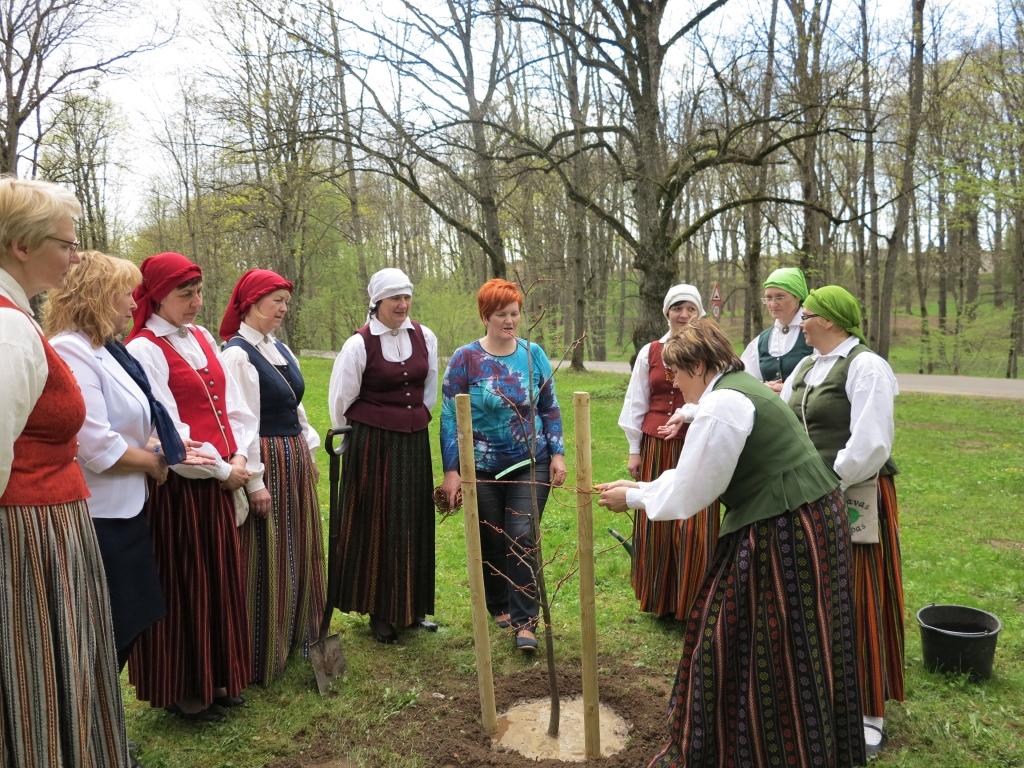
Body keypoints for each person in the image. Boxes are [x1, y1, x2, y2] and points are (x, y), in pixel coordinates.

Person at [598, 319, 866, 768]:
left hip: (785, 529)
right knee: (792, 637)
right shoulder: (740, 388)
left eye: (678, 374)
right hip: (810, 518)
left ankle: (754, 751)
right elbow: (700, 469)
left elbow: (694, 489)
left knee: (757, 642)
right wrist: (643, 485)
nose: (675, 384)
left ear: (700, 366)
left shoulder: (725, 402)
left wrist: (635, 498)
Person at [0, 178, 129, 766]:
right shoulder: (7, 331)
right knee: (39, 681)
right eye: (66, 243)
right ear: (20, 245)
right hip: (31, 537)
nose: (77, 257)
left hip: (48, 529)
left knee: (57, 678)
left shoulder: (16, 319)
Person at [126, 252, 259, 722]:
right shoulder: (144, 348)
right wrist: (224, 472)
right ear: (157, 295)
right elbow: (168, 429)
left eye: (199, 292)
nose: (197, 302)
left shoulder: (202, 338)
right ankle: (185, 689)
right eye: (186, 293)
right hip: (181, 489)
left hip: (221, 479)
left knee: (220, 581)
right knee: (186, 585)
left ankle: (218, 676)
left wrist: (241, 455)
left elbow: (237, 407)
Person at [780, 285, 904, 758]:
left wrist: (829, 483)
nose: (800, 322)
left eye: (806, 315)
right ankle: (829, 690)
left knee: (860, 593)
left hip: (856, 493)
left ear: (831, 320)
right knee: (821, 592)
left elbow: (872, 441)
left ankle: (870, 711)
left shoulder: (866, 366)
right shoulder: (808, 366)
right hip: (813, 493)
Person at [440, 278, 566, 653]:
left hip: (530, 461)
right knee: (492, 538)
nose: (510, 321)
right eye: (502, 315)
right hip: (481, 466)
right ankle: (500, 604)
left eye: (514, 313)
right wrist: (452, 472)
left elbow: (550, 406)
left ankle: (526, 623)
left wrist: (557, 452)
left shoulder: (533, 354)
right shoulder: (465, 359)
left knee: (522, 536)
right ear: (485, 316)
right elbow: (449, 416)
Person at [220, 269, 326, 684]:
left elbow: (295, 407)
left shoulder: (279, 348)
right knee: (270, 551)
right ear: (250, 304)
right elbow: (239, 422)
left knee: (299, 542)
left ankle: (301, 633)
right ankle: (263, 647)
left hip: (293, 458)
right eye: (276, 300)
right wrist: (255, 481)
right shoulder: (238, 354)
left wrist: (309, 450)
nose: (283, 308)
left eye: (286, 301)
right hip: (265, 459)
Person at [328, 267, 439, 644]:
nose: (403, 305)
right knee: (378, 524)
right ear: (377, 303)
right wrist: (360, 441)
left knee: (413, 520)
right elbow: (341, 401)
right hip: (374, 445)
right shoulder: (358, 345)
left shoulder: (425, 336)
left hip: (412, 442)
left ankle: (413, 606)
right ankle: (380, 609)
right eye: (395, 299)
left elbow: (429, 389)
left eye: (407, 297)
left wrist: (414, 421)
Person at [617, 284, 719, 619]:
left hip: (698, 440)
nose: (684, 315)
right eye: (678, 308)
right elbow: (636, 401)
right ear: (667, 312)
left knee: (695, 519)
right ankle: (660, 601)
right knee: (657, 517)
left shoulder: (710, 349)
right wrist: (635, 450)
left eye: (691, 308)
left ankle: (694, 601)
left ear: (700, 312)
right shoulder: (651, 351)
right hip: (657, 445)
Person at [740, 267, 814, 391]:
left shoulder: (816, 332)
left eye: (780, 297)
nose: (773, 304)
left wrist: (788, 390)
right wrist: (762, 388)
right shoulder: (761, 341)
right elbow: (743, 378)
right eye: (768, 298)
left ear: (797, 296)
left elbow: (828, 378)